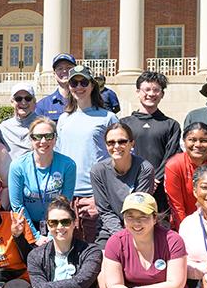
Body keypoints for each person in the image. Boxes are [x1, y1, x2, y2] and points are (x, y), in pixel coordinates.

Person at [55, 65, 119, 243]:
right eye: (74, 83)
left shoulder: (108, 118)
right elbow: (58, 156)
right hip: (66, 196)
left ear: (92, 86)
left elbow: (120, 160)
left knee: (95, 252)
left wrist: (101, 199)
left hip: (94, 196)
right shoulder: (63, 118)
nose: (79, 87)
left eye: (83, 82)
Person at [8, 117, 76, 235]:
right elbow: (18, 206)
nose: (43, 141)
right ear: (31, 139)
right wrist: (35, 236)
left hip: (57, 224)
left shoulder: (68, 165)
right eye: (37, 137)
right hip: (26, 224)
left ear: (55, 138)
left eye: (48, 136)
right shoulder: (18, 166)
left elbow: (65, 202)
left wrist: (51, 235)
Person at [91, 122, 155, 247]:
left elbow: (138, 208)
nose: (116, 146)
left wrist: (129, 240)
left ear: (132, 143)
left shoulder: (145, 169)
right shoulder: (98, 171)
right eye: (111, 142)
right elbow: (105, 211)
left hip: (139, 225)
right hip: (109, 229)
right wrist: (121, 237)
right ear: (106, 145)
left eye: (122, 141)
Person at [121, 71, 181, 198]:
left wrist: (154, 179)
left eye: (156, 90)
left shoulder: (171, 125)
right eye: (146, 89)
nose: (151, 94)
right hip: (130, 185)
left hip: (160, 188)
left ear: (162, 94)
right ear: (138, 92)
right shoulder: (125, 123)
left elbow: (171, 156)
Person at [165, 122, 207, 229]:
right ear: (184, 142)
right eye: (192, 140)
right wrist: (186, 231)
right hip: (184, 222)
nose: (198, 145)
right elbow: (176, 206)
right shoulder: (174, 165)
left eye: (204, 141)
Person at [0, 82, 38, 161]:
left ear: (34, 102)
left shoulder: (43, 125)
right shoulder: (4, 128)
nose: (23, 102)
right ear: (12, 102)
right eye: (18, 99)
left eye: (28, 98)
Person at [35, 53, 75, 120]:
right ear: (54, 74)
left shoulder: (85, 101)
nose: (64, 71)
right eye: (60, 68)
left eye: (69, 68)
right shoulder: (43, 105)